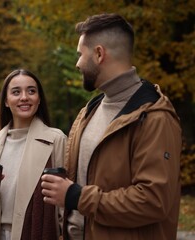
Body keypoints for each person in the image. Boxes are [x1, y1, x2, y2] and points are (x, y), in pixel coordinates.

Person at [41, 13, 182, 240]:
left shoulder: (155, 118)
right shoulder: (89, 111)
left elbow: (154, 201)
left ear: (99, 54)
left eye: (80, 54)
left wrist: (77, 197)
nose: (77, 63)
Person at [0, 69, 67, 240]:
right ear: (6, 102)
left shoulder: (56, 140)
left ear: (39, 99)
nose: (24, 97)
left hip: (40, 233)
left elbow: (66, 201)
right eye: (16, 92)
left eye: (31, 91)